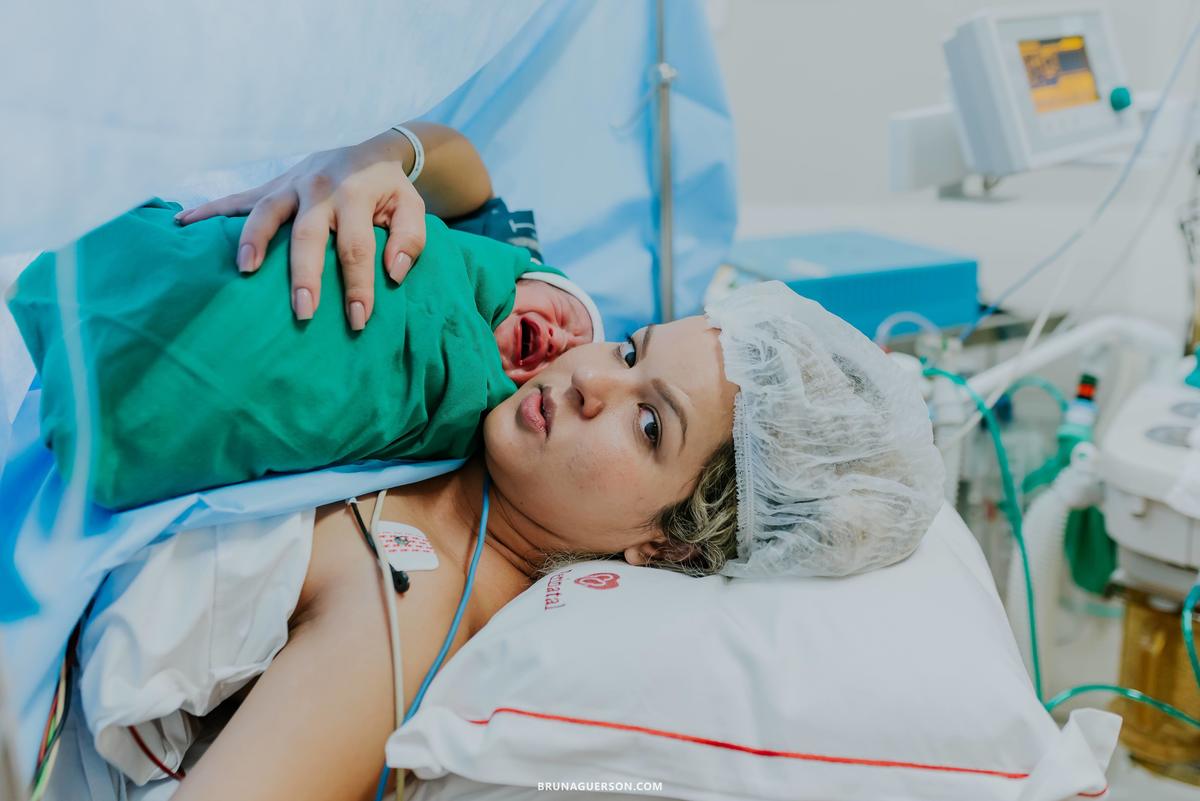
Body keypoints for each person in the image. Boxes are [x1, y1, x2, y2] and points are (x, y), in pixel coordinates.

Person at [144, 129, 944, 800]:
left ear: (669, 545)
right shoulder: (518, 359)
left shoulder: (400, 612)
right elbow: (469, 176)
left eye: (648, 423)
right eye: (631, 348)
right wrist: (381, 158)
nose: (590, 377)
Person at [7, 127, 604, 510]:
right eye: (569, 319)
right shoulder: (512, 257)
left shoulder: (511, 441)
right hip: (159, 235)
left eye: (564, 359)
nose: (558, 342)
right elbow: (464, 169)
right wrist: (379, 153)